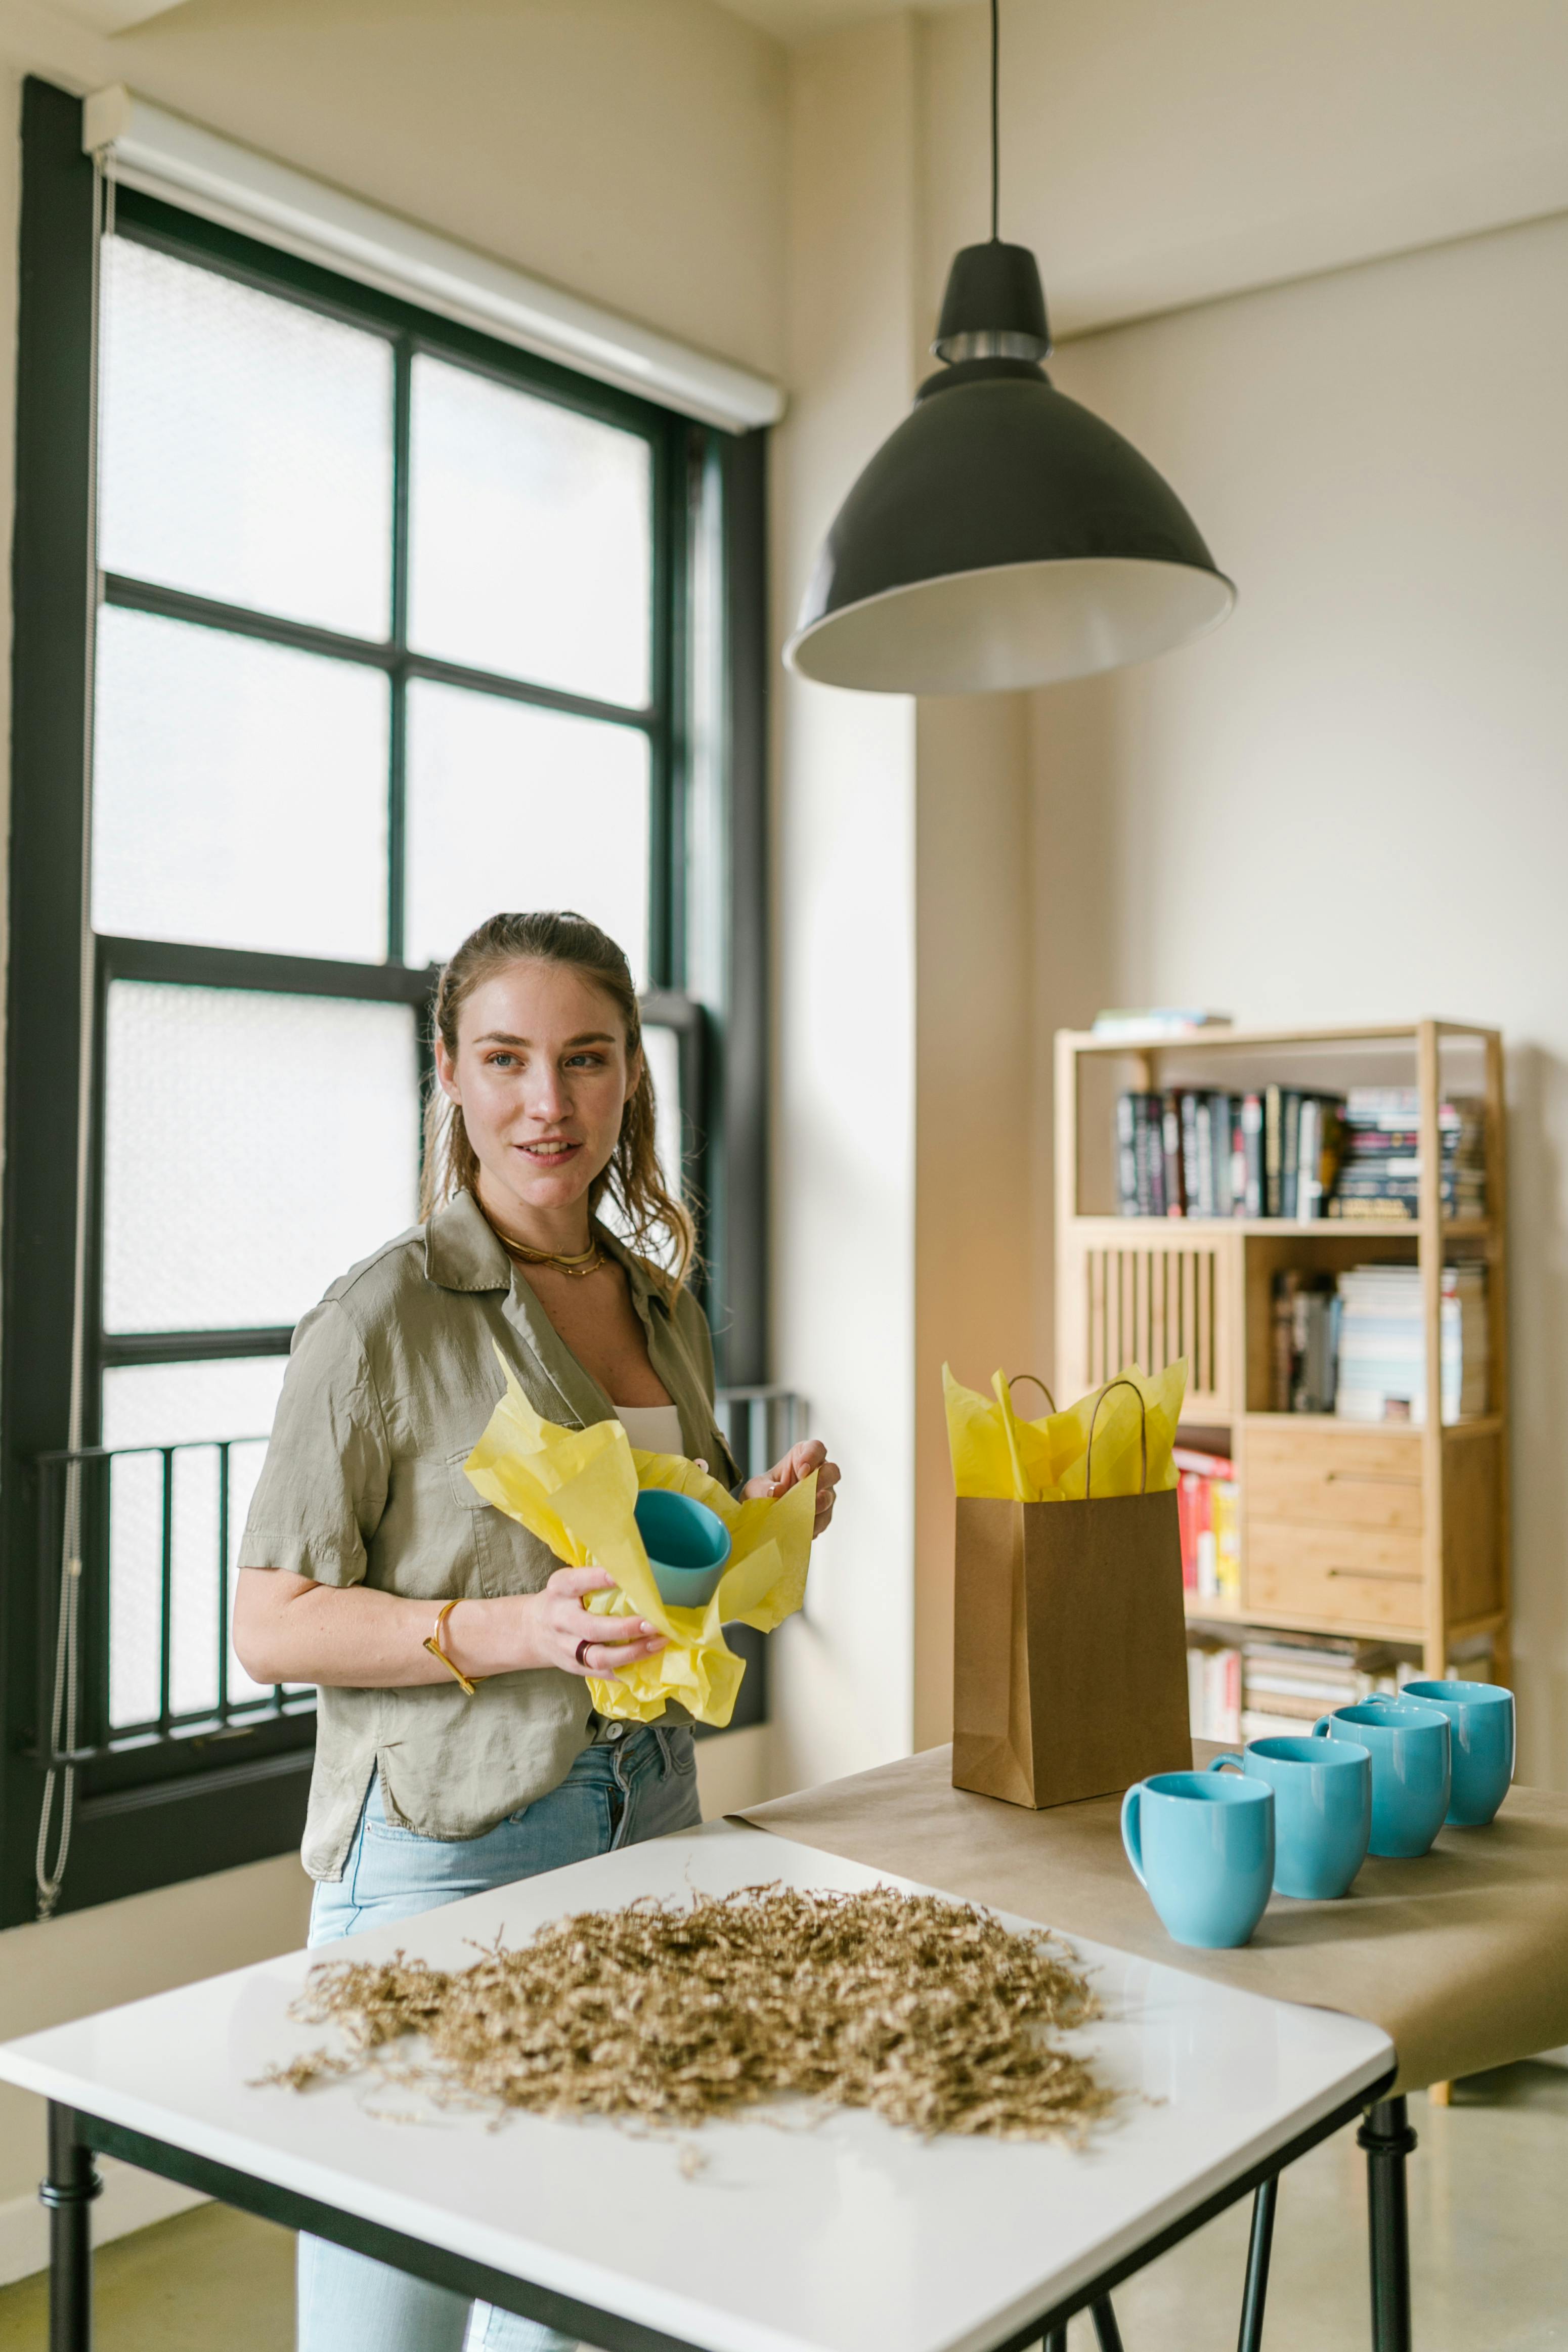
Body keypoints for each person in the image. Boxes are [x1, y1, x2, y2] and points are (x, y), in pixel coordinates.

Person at [234, 909, 841, 2352]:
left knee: (584, 2303)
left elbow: (650, 1576)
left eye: (584, 1059)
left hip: (653, 1817)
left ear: (632, 1076)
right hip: (448, 1854)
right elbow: (270, 1621)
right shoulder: (378, 1316)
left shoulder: (658, 1303)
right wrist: (517, 1626)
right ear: (449, 1071)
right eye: (505, 1058)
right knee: (392, 2323)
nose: (545, 1103)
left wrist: (758, 1530)